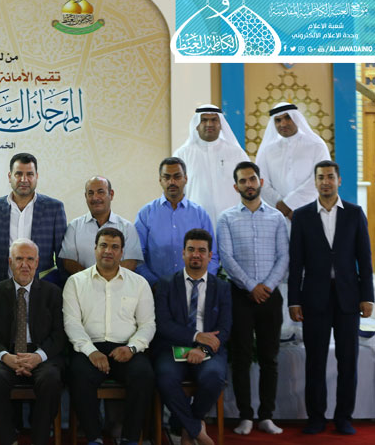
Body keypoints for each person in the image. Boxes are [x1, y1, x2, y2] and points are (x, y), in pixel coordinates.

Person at [288, 160, 374, 435]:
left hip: (349, 298)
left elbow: (364, 259)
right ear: (314, 182)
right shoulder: (302, 216)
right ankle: (316, 417)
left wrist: (368, 297)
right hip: (314, 299)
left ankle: (343, 417)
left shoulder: (355, 213)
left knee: (348, 361)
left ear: (339, 180)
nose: (325, 181)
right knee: (315, 361)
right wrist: (294, 300)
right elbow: (296, 262)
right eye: (320, 177)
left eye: (330, 177)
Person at [63, 227, 155, 445]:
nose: (108, 251)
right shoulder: (76, 282)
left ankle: (130, 438)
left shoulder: (139, 283)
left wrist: (132, 348)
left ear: (122, 252)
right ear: (95, 248)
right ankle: (94, 438)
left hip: (126, 349)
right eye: (103, 245)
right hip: (90, 349)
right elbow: (72, 323)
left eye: (114, 247)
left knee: (143, 375)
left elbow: (147, 324)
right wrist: (91, 352)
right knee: (78, 374)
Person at [216, 162, 288, 435]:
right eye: (243, 181)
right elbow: (227, 257)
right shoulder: (226, 218)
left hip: (270, 295)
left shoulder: (277, 218)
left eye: (252, 179)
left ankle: (267, 416)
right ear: (236, 187)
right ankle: (245, 415)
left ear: (261, 182)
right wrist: (251, 286)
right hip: (239, 296)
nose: (249, 184)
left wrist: (265, 287)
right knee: (242, 357)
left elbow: (284, 256)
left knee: (270, 358)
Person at [0, 239, 66, 445]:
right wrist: (5, 357)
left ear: (37, 263)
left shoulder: (53, 293)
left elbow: (59, 334)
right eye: (19, 259)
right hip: (6, 354)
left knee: (51, 379)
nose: (25, 265)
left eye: (30, 259)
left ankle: (39, 439)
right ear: (10, 262)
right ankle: (8, 439)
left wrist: (38, 356)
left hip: (41, 354)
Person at [153, 229, 231, 445]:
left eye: (201, 250)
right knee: (165, 377)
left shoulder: (222, 288)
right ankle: (196, 428)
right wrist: (197, 336)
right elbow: (163, 324)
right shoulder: (166, 284)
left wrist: (202, 349)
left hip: (208, 351)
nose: (196, 254)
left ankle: (184, 426)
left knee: (214, 377)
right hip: (172, 348)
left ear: (210, 255)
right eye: (191, 249)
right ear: (183, 253)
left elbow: (224, 329)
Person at [135, 157, 218, 287]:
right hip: (155, 290)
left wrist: (200, 284)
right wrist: (154, 284)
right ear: (160, 180)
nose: (172, 182)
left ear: (186, 178)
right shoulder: (146, 214)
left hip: (195, 290)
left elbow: (213, 256)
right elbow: (137, 256)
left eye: (177, 177)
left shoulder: (200, 214)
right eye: (167, 177)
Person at [0, 153, 66, 283]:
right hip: (2, 287)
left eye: (29, 174)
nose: (24, 179)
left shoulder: (54, 208)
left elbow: (61, 255)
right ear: (10, 177)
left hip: (42, 287)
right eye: (18, 174)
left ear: (36, 176)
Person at [173, 104, 249, 227]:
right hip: (195, 221)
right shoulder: (182, 154)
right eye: (204, 120)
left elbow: (249, 185)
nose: (209, 124)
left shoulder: (236, 153)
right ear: (196, 125)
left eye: (214, 120)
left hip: (233, 221)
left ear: (221, 124)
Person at [255, 102, 331, 220]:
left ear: (296, 118)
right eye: (278, 120)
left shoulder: (316, 145)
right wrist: (280, 204)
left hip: (310, 211)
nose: (283, 123)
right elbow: (261, 182)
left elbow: (320, 179)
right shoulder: (267, 150)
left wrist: (291, 205)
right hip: (277, 214)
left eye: (287, 118)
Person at [59, 176, 142, 273]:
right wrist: (91, 279)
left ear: (111, 194)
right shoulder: (74, 226)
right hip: (83, 282)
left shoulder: (127, 227)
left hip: (119, 282)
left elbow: (130, 262)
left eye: (100, 192)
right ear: (85, 196)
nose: (95, 197)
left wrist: (109, 278)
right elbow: (68, 262)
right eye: (90, 193)